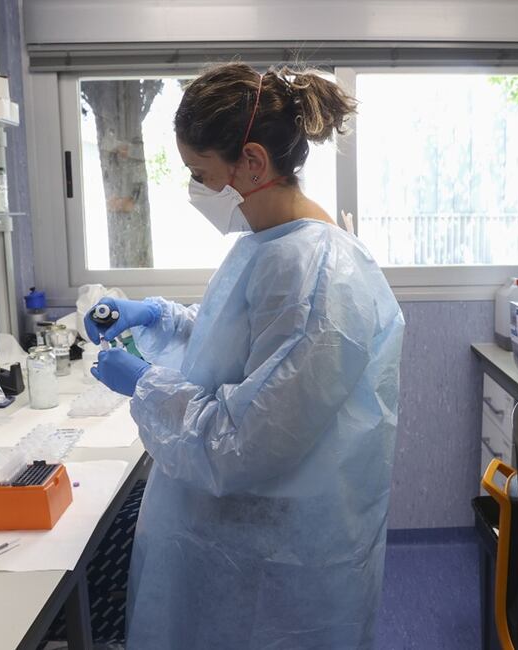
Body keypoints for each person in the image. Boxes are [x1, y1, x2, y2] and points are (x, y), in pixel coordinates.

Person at [85, 63, 405, 649]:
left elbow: (241, 443)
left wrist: (145, 385)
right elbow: (238, 351)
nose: (197, 189)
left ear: (252, 163)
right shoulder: (268, 245)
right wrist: (161, 318)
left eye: (200, 174)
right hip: (239, 537)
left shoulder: (320, 274)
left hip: (277, 554)